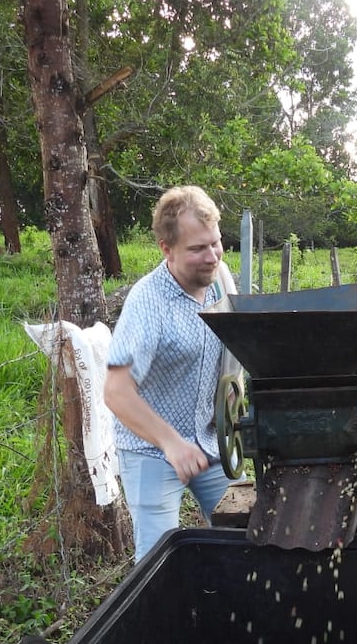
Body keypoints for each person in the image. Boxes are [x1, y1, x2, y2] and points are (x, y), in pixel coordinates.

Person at [105, 185, 238, 560]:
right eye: (197, 249)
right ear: (166, 248)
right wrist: (171, 443)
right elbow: (115, 392)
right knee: (157, 560)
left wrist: (231, 398)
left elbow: (231, 354)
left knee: (245, 535)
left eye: (215, 243)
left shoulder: (222, 282)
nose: (212, 256)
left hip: (211, 442)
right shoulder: (148, 304)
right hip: (152, 449)